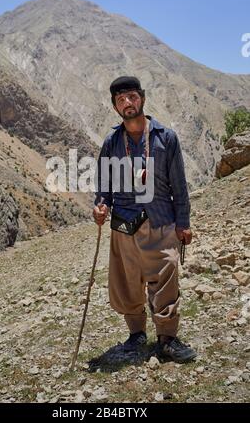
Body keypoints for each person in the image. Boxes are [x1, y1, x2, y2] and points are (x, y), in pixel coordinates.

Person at [93, 76, 197, 363]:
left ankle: (167, 339)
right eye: (120, 99)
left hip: (161, 221)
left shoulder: (166, 138)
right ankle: (136, 335)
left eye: (132, 97)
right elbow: (104, 185)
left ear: (142, 98)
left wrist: (183, 222)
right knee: (127, 282)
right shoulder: (112, 142)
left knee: (165, 281)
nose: (127, 103)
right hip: (124, 225)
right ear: (115, 107)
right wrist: (100, 206)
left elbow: (180, 185)